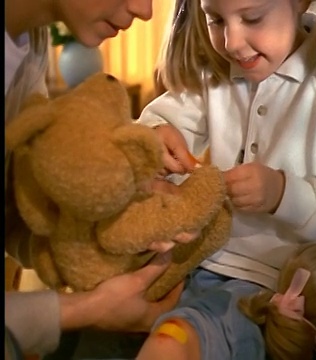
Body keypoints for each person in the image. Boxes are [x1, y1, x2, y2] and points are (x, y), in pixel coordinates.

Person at [131, 0, 316, 359]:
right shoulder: (218, 71)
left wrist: (284, 194)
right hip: (190, 265)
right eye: (216, 19)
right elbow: (162, 121)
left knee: (174, 343)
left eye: (252, 17)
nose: (232, 42)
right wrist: (153, 138)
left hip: (273, 290)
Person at [4, 0, 200, 358]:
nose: (146, 11)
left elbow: (25, 204)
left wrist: (121, 179)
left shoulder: (30, 48)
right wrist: (87, 309)